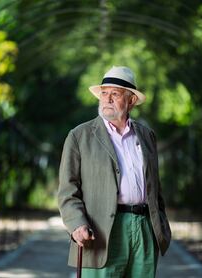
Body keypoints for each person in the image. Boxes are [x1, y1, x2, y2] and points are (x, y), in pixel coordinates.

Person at [58, 66, 171, 277]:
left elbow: (156, 187)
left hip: (144, 228)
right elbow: (67, 190)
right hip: (101, 231)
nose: (107, 99)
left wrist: (161, 225)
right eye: (104, 93)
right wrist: (77, 224)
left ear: (131, 101)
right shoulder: (79, 136)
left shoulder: (147, 136)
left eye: (115, 94)